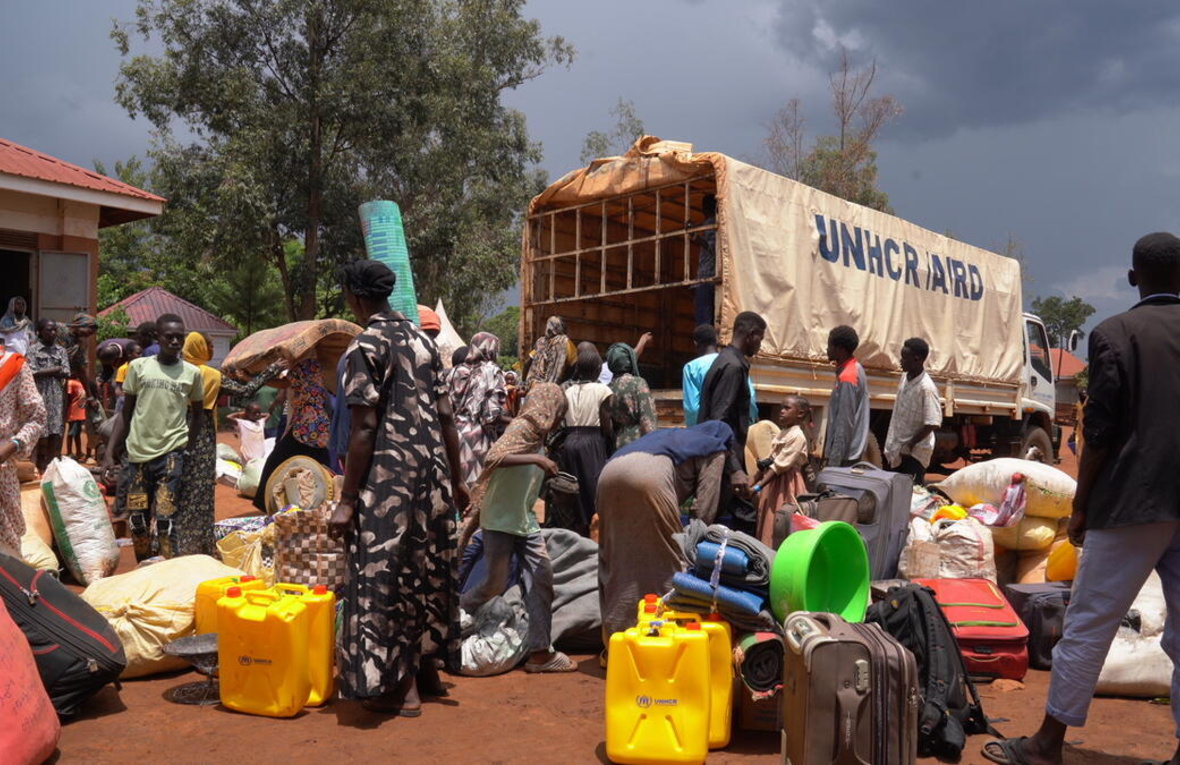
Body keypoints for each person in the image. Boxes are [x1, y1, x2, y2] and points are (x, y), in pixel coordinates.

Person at [981, 232, 1180, 765]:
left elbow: (1101, 430)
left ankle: (1047, 744)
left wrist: (1083, 505)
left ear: (1134, 277)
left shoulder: (1116, 333)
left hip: (1131, 503)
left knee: (1088, 625)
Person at [328, 260, 468, 716]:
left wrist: (347, 501)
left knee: (386, 574)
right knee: (428, 566)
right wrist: (459, 478)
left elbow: (364, 427)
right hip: (434, 476)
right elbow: (447, 416)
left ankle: (401, 683)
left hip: (390, 479)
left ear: (355, 295)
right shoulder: (423, 342)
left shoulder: (365, 346)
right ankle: (428, 669)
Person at [461, 382, 577, 673]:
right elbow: (492, 458)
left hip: (523, 519)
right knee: (494, 584)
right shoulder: (522, 427)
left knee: (542, 575)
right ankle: (456, 616)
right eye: (559, 411)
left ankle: (540, 652)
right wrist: (536, 459)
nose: (560, 418)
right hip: (500, 519)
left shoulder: (540, 436)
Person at [597, 421, 742, 641]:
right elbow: (704, 506)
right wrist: (695, 542)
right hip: (649, 477)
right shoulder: (715, 446)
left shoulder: (674, 437)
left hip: (608, 473)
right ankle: (663, 638)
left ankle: (615, 642)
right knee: (669, 560)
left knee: (617, 557)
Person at [103, 314, 204, 562]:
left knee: (165, 520)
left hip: (171, 455)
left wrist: (187, 449)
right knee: (137, 520)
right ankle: (145, 567)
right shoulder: (139, 367)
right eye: (169, 337)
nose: (174, 341)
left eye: (179, 337)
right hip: (137, 457)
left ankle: (166, 571)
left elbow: (198, 416)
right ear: (158, 337)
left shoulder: (192, 373)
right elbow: (125, 413)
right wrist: (109, 452)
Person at [698, 311, 766, 497]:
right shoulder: (733, 368)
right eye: (760, 338)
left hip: (723, 457)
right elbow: (718, 422)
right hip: (723, 461)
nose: (760, 345)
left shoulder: (726, 360)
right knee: (742, 517)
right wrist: (734, 469)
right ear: (751, 334)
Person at [250, 355, 330, 512]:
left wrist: (255, 377)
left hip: (306, 423)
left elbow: (280, 384)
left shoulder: (303, 365)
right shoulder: (319, 365)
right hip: (319, 423)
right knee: (319, 463)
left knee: (276, 460)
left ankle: (263, 502)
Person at [559, 343, 614, 532]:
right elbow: (606, 424)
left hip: (569, 441)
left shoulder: (567, 391)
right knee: (593, 492)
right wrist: (609, 443)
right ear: (598, 369)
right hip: (591, 442)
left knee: (572, 491)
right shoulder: (603, 391)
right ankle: (594, 534)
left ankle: (575, 529)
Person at [0, 345, 46, 556]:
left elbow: (37, 417)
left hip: (1, 471)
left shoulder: (14, 366)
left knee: (6, 545)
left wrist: (13, 445)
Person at [450, 332, 510, 490]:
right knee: (477, 494)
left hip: (452, 437)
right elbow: (491, 416)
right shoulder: (491, 371)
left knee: (457, 491)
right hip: (477, 439)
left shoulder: (456, 371)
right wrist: (517, 421)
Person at [751, 396, 811, 547]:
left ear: (800, 414)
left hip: (787, 484)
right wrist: (752, 481)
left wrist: (758, 486)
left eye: (787, 408)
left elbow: (779, 466)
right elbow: (770, 461)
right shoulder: (782, 433)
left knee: (781, 518)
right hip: (773, 481)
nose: (781, 411)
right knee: (767, 517)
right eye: (781, 407)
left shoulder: (797, 436)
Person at [883, 337, 942, 485]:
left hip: (914, 454)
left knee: (911, 497)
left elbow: (932, 422)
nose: (901, 361)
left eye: (905, 358)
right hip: (899, 449)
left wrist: (910, 444)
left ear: (917, 359)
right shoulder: (905, 377)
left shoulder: (926, 388)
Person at [682, 324, 757, 427]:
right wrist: (750, 422)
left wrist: (695, 430)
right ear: (716, 340)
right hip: (733, 429)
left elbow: (692, 409)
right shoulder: (734, 361)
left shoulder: (691, 368)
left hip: (707, 430)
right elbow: (750, 398)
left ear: (695, 344)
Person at [823, 325, 870, 468]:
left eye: (829, 345)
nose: (827, 349)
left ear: (840, 349)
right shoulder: (852, 369)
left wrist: (834, 463)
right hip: (848, 453)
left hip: (846, 456)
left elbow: (844, 424)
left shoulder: (848, 376)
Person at [28, 319, 70, 472]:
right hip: (39, 394)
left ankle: (51, 463)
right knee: (39, 428)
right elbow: (32, 372)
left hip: (57, 395)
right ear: (40, 332)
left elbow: (66, 371)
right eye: (49, 330)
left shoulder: (61, 351)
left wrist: (45, 372)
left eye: (54, 330)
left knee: (55, 429)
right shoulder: (33, 350)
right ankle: (38, 461)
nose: (53, 333)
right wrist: (55, 369)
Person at [604, 339, 657, 450]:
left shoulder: (607, 388)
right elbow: (648, 420)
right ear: (630, 360)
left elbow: (607, 426)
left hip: (616, 446)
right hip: (637, 444)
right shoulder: (638, 383)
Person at [523, 316, 575, 392]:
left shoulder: (540, 342)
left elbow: (528, 362)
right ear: (561, 327)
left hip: (535, 386)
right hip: (554, 389)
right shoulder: (565, 342)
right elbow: (575, 365)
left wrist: (524, 382)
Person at [692, 194, 719, 326]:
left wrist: (695, 237)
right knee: (711, 319)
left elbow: (712, 246)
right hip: (713, 277)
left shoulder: (711, 223)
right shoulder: (717, 222)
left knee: (704, 320)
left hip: (707, 277)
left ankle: (704, 345)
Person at [113, 342, 143, 413]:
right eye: (138, 353)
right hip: (124, 399)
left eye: (142, 353)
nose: (141, 356)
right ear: (129, 354)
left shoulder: (142, 368)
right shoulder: (123, 368)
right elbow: (118, 387)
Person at [65, 375, 86, 461]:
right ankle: (69, 452)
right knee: (71, 433)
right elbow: (68, 397)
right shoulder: (70, 383)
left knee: (77, 433)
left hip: (79, 411)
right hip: (73, 412)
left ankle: (79, 452)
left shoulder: (79, 382)